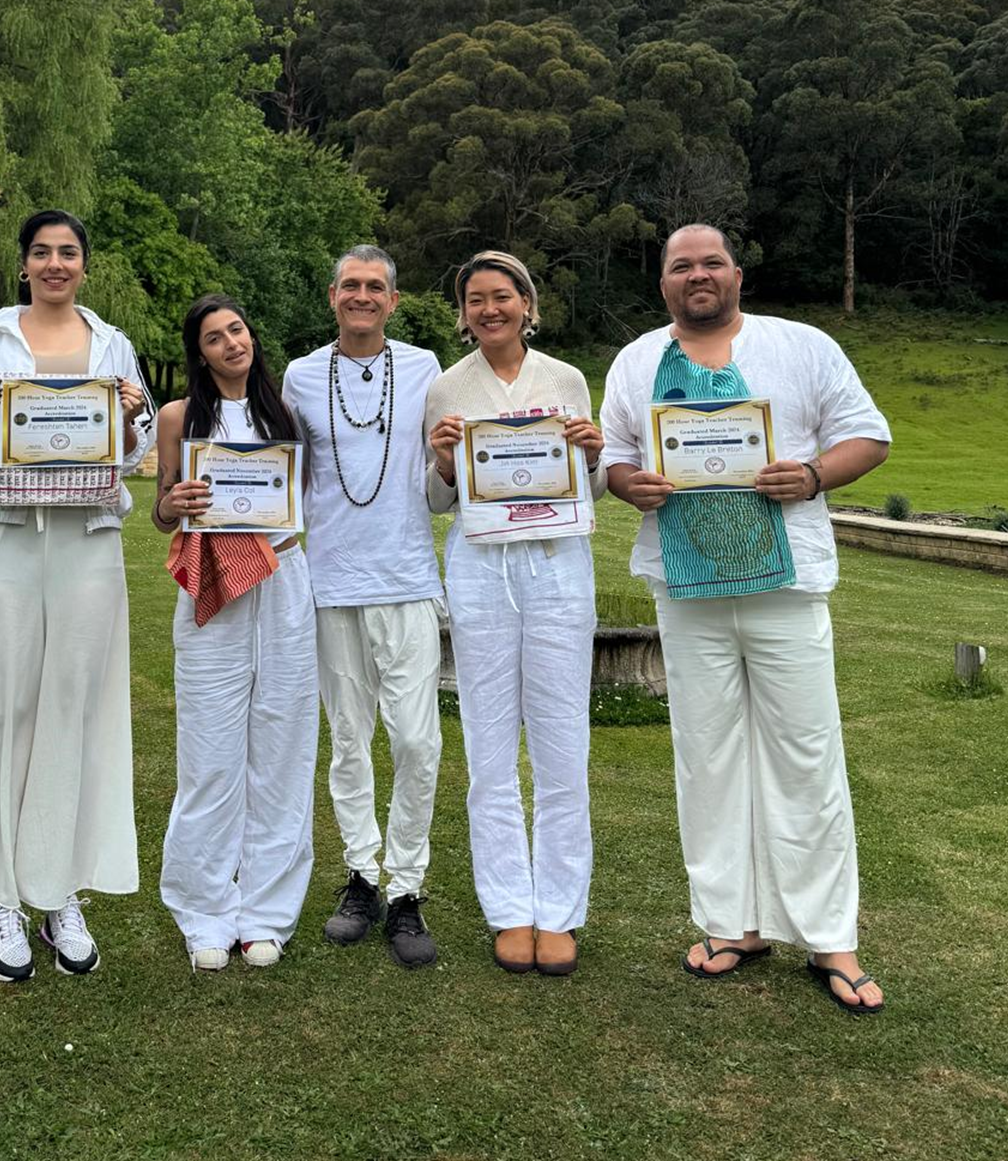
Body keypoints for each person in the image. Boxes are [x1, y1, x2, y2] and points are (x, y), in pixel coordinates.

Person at [600, 223, 890, 1014]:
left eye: (712, 263)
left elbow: (869, 436)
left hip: (785, 583)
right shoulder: (636, 360)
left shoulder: (801, 346)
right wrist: (632, 486)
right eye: (681, 266)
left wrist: (812, 474)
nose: (698, 275)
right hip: (686, 588)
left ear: (736, 273)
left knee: (805, 754)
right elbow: (614, 456)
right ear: (663, 282)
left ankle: (831, 938)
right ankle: (734, 923)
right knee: (708, 755)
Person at [0, 209, 153, 983]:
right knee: (0, 711)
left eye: (70, 252)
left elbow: (137, 444)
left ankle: (60, 892)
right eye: (42, 253)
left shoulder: (113, 343)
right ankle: (2, 902)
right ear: (24, 264)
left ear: (84, 264)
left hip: (88, 544)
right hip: (6, 539)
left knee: (76, 709)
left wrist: (123, 421)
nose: (56, 264)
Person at [424, 252, 605, 976]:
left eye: (503, 296)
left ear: (528, 304)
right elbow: (438, 500)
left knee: (563, 740)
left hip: (558, 564)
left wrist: (590, 454)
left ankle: (559, 909)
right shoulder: (446, 387)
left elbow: (587, 486)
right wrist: (441, 462)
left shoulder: (564, 380)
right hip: (480, 568)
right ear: (464, 314)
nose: (490, 309)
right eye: (476, 299)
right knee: (490, 743)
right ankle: (509, 907)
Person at [281, 245, 444, 968]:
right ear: (332, 294)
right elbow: (285, 469)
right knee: (348, 740)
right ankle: (362, 876)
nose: (362, 296)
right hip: (331, 582)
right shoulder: (299, 375)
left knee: (416, 741)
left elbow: (445, 457)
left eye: (375, 286)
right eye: (351, 284)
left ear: (394, 300)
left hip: (407, 577)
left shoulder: (425, 368)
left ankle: (408, 887)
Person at [152, 294, 318, 971]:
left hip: (282, 576)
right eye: (215, 337)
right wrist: (175, 501)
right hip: (210, 581)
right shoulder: (178, 417)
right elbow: (163, 513)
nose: (231, 343)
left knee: (282, 746)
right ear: (199, 352)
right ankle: (204, 912)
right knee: (210, 753)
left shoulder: (285, 412)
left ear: (253, 336)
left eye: (238, 330)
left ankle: (266, 914)